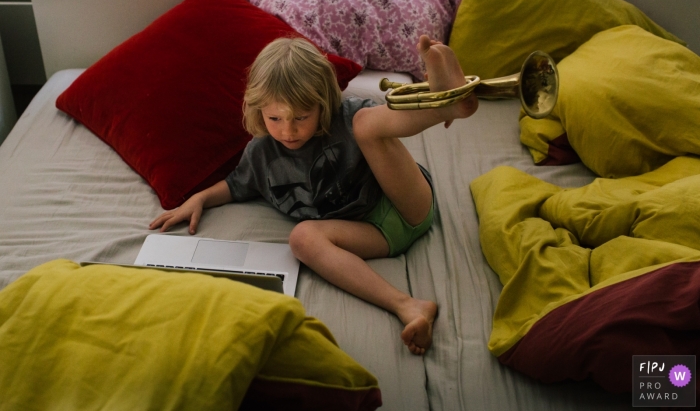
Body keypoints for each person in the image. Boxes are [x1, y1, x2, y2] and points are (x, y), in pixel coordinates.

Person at [149, 35, 477, 354]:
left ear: (322, 104)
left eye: (302, 117)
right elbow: (238, 184)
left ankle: (444, 103)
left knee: (366, 124)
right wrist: (201, 198)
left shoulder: (345, 118)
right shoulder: (262, 153)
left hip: (407, 204)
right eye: (274, 118)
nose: (288, 131)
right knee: (302, 238)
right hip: (373, 234)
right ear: (258, 109)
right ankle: (409, 307)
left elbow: (382, 125)